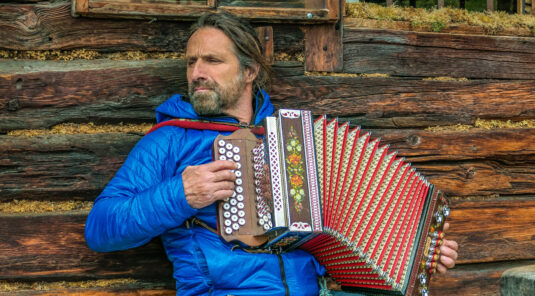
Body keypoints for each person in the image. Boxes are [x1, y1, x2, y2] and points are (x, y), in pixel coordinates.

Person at [85, 11, 458, 296]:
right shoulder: (169, 140)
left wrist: (419, 251)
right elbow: (100, 227)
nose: (197, 72)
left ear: (249, 71)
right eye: (190, 62)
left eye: (212, 61)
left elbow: (355, 212)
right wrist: (179, 195)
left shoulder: (293, 136)